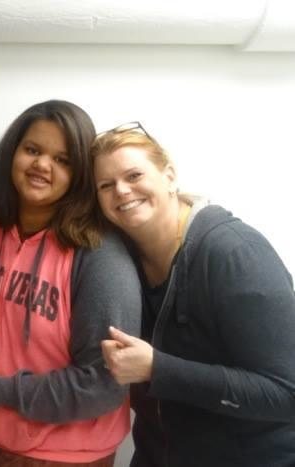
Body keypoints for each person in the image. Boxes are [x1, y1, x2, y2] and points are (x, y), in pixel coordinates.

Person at [0, 100, 141, 466]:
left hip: (68, 457)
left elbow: (102, 385)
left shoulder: (99, 256)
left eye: (62, 159)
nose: (42, 165)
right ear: (12, 153)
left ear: (80, 174)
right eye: (33, 150)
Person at [93, 123, 295, 467]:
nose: (122, 191)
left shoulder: (235, 253)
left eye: (134, 175)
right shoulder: (121, 256)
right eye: (106, 185)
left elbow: (287, 393)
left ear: (170, 176)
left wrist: (158, 369)